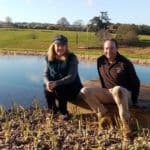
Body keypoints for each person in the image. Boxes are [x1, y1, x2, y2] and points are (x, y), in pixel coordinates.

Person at [80, 39, 140, 140]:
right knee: (84, 91)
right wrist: (103, 93)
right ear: (103, 49)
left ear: (117, 49)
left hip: (124, 94)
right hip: (109, 93)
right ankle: (105, 115)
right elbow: (103, 79)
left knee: (117, 89)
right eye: (106, 48)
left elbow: (136, 82)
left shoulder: (125, 63)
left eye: (112, 48)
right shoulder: (100, 61)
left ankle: (126, 125)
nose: (109, 51)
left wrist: (134, 100)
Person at [44, 35, 83, 120]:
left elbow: (71, 77)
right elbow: (46, 74)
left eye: (63, 45)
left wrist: (56, 83)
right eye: (58, 45)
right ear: (53, 46)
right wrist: (47, 82)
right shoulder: (49, 57)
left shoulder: (72, 58)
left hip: (72, 87)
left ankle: (64, 112)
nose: (60, 48)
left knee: (60, 87)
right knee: (46, 87)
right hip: (57, 85)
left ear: (66, 46)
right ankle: (52, 111)